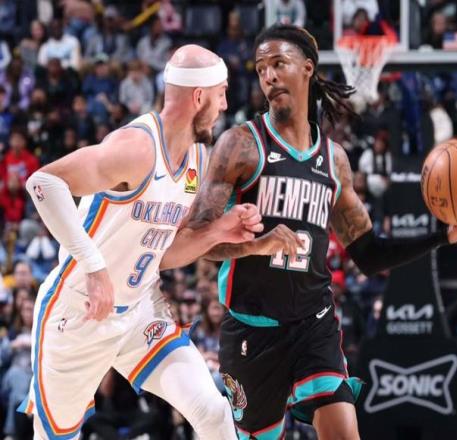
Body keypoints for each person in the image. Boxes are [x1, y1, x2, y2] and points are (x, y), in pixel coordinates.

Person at [168, 24, 457, 439]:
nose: (268, 75)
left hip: (314, 323)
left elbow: (369, 254)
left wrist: (442, 236)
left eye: (279, 63)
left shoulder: (334, 160)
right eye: (261, 68)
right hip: (252, 330)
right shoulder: (240, 145)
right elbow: (195, 241)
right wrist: (256, 245)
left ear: (307, 68)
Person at [19, 44, 271, 440]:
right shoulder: (136, 148)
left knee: (212, 410)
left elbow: (162, 255)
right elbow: (43, 183)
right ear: (199, 97)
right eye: (221, 93)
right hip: (80, 312)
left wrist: (217, 231)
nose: (225, 104)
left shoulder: (197, 159)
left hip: (139, 311)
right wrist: (94, 266)